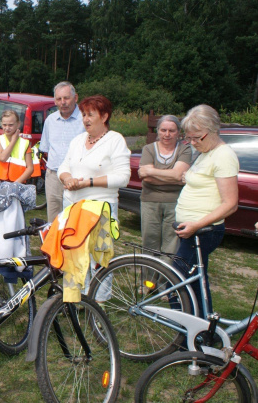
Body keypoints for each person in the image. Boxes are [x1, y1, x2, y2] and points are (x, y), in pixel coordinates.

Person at [58, 95, 131, 301]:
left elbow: (123, 177)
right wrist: (68, 177)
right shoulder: (77, 140)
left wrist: (88, 182)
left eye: (91, 115)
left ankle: (98, 305)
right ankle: (72, 300)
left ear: (104, 116)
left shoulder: (115, 140)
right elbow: (64, 166)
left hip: (100, 207)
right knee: (71, 253)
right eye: (83, 115)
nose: (85, 119)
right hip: (72, 204)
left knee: (98, 256)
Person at [173, 104, 239, 317]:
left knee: (176, 284)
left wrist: (196, 225)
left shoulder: (223, 155)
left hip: (203, 231)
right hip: (192, 230)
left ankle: (186, 339)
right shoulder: (205, 152)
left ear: (212, 131)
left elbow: (231, 203)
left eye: (196, 138)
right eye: (188, 138)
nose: (192, 143)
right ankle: (204, 335)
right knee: (196, 284)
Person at [137, 115, 192, 262]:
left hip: (175, 203)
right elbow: (146, 178)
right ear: (158, 131)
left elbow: (177, 174)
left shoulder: (184, 150)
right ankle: (148, 282)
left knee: (171, 244)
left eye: (172, 131)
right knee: (149, 242)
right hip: (150, 201)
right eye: (163, 130)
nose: (167, 134)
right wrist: (173, 176)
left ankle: (165, 283)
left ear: (178, 132)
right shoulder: (149, 149)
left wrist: (152, 171)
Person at [39, 81, 84, 222]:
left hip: (77, 176)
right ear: (55, 101)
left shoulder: (85, 120)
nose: (63, 102)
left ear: (75, 98)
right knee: (53, 219)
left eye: (66, 98)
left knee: (74, 218)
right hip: (53, 176)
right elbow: (45, 148)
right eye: (59, 99)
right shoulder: (50, 120)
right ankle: (54, 244)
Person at [0, 110, 40, 184]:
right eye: (4, 125)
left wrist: (16, 183)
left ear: (18, 124)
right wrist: (13, 141)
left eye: (11, 125)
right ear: (1, 124)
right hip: (0, 182)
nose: (7, 128)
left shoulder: (25, 143)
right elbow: (3, 158)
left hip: (18, 183)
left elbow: (30, 168)